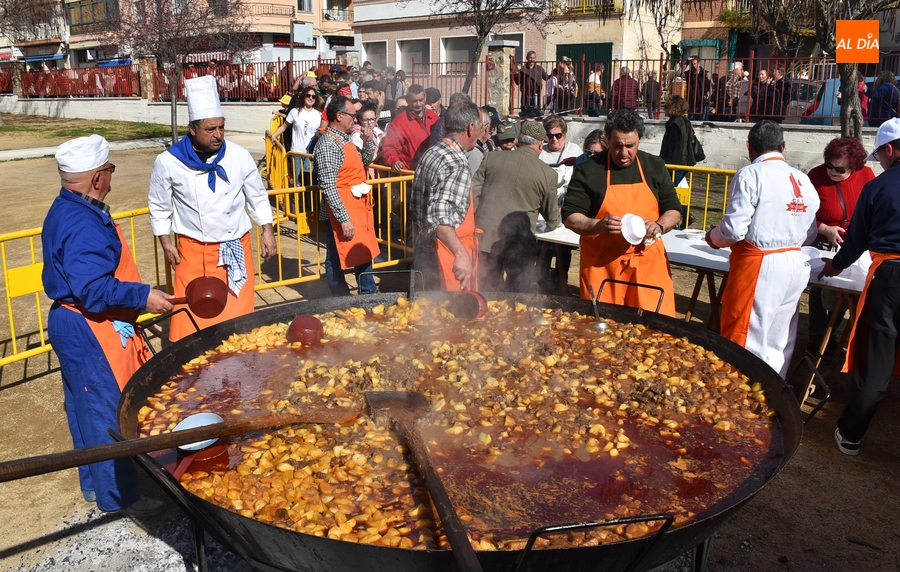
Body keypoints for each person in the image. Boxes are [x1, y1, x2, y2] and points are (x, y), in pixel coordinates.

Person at [43, 135, 174, 517]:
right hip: (87, 325)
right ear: (99, 177)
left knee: (84, 407)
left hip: (71, 321)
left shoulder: (67, 205)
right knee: (105, 410)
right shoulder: (83, 222)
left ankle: (93, 484)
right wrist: (143, 297)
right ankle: (119, 498)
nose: (112, 176)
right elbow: (92, 287)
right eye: (111, 170)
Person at [148, 76, 276, 342]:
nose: (218, 134)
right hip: (193, 252)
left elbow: (257, 196)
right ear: (192, 129)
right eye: (210, 129)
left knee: (237, 322)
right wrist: (165, 242)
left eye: (221, 127)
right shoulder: (168, 162)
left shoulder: (239, 156)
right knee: (191, 322)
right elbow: (159, 206)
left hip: (235, 248)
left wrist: (267, 230)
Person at [705, 120, 819, 378]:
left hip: (761, 263)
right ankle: (773, 390)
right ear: (783, 146)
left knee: (748, 335)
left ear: (749, 146)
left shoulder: (750, 174)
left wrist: (713, 237)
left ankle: (740, 392)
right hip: (794, 261)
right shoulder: (803, 179)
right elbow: (810, 233)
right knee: (778, 337)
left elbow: (733, 230)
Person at [818, 119, 900, 455]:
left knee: (876, 360)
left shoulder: (879, 186)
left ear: (890, 149)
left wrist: (833, 267)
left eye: (881, 153)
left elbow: (855, 242)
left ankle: (851, 435)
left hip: (891, 275)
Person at [563, 109, 682, 316]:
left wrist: (660, 225)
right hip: (603, 266)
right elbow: (570, 216)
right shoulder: (589, 170)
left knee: (654, 329)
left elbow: (673, 209)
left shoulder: (654, 166)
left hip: (647, 263)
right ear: (608, 139)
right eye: (617, 145)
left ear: (639, 140)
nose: (624, 152)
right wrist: (597, 225)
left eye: (630, 145)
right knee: (604, 329)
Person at [805, 137, 875, 357]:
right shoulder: (814, 176)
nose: (832, 172)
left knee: (844, 293)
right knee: (818, 293)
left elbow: (872, 209)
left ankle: (832, 335)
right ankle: (817, 341)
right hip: (820, 242)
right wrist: (825, 228)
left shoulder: (866, 175)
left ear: (854, 166)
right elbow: (803, 216)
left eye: (840, 168)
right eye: (829, 165)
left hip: (852, 244)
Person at [473, 121, 561, 292]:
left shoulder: (491, 158)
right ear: (541, 144)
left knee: (486, 291)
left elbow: (473, 195)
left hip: (485, 239)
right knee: (517, 295)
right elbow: (552, 219)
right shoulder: (548, 174)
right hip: (521, 245)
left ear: (518, 141)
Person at [410, 101, 483, 290]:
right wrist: (460, 254)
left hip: (423, 243)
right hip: (442, 251)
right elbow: (440, 218)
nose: (481, 133)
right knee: (450, 313)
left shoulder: (432, 152)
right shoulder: (456, 162)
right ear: (471, 127)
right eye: (481, 127)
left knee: (426, 309)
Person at [313, 95, 379, 297]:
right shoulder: (328, 144)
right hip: (341, 214)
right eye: (353, 115)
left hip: (355, 209)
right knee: (335, 258)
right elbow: (328, 185)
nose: (356, 120)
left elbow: (363, 163)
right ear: (339, 116)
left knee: (361, 252)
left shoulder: (344, 139)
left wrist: (368, 143)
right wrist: (344, 219)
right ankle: (341, 299)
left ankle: (368, 294)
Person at [269, 86, 322, 185]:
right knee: (297, 182)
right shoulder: (294, 112)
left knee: (308, 181)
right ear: (303, 97)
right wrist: (274, 136)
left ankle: (306, 200)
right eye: (308, 95)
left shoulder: (319, 114)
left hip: (310, 153)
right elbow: (284, 126)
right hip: (296, 151)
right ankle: (297, 196)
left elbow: (322, 131)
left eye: (313, 96)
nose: (311, 98)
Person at [380, 84, 439, 172]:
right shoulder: (399, 122)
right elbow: (390, 147)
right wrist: (394, 161)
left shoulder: (433, 117)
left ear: (425, 97)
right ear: (408, 100)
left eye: (421, 100)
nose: (418, 104)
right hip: (409, 174)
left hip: (432, 171)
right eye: (414, 101)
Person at [658, 95, 695, 185]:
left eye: (666, 107)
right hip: (686, 161)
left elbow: (671, 146)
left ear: (673, 108)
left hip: (675, 164)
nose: (663, 109)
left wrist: (663, 163)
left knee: (668, 189)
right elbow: (691, 139)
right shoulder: (685, 120)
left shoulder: (674, 124)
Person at [514, 51, 548, 118]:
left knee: (536, 113)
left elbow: (547, 78)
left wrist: (556, 73)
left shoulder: (539, 68)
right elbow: (517, 82)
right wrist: (517, 72)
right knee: (526, 113)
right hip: (526, 94)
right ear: (527, 58)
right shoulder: (522, 69)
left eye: (533, 58)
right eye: (530, 58)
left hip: (536, 94)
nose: (532, 60)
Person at [683, 56, 711, 120]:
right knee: (691, 121)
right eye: (691, 63)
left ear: (699, 64)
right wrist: (685, 63)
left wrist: (707, 96)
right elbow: (678, 73)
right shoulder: (688, 73)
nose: (693, 65)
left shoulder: (705, 73)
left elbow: (712, 86)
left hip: (702, 102)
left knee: (703, 122)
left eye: (695, 63)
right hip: (692, 101)